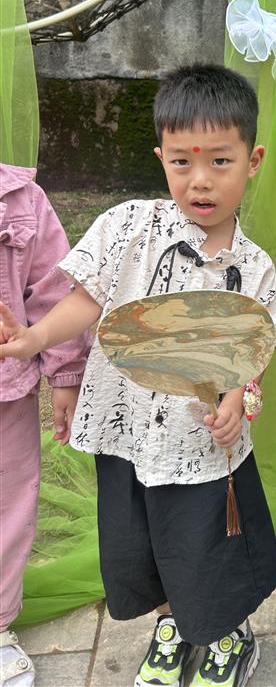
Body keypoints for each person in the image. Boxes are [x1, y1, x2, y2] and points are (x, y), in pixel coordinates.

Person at [0, 67, 276, 687]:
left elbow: (250, 355)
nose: (200, 180)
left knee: (205, 549)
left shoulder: (254, 270)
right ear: (161, 159)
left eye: (220, 161)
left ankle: (228, 636)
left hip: (199, 445)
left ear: (253, 160)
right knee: (144, 548)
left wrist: (236, 399)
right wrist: (35, 339)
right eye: (182, 162)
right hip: (125, 437)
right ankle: (171, 623)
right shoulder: (126, 226)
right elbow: (85, 299)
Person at [0, 163, 91, 687]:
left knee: (9, 506)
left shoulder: (20, 199)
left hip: (5, 391)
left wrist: (66, 373)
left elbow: (56, 289)